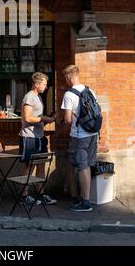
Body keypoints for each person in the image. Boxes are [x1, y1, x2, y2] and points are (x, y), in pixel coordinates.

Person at [61, 65, 98, 212]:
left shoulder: (69, 95)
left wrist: (63, 119)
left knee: (82, 167)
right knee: (87, 165)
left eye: (66, 78)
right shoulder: (90, 91)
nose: (66, 81)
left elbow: (68, 119)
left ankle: (86, 202)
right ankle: (83, 198)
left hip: (79, 136)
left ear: (69, 77)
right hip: (93, 134)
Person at [19, 72, 57, 205]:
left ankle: (40, 194)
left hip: (39, 136)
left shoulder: (38, 97)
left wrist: (47, 119)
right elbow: (27, 118)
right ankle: (24, 195)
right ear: (36, 84)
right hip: (29, 137)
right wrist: (43, 118)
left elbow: (37, 118)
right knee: (29, 166)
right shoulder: (29, 97)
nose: (46, 87)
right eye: (44, 84)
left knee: (41, 165)